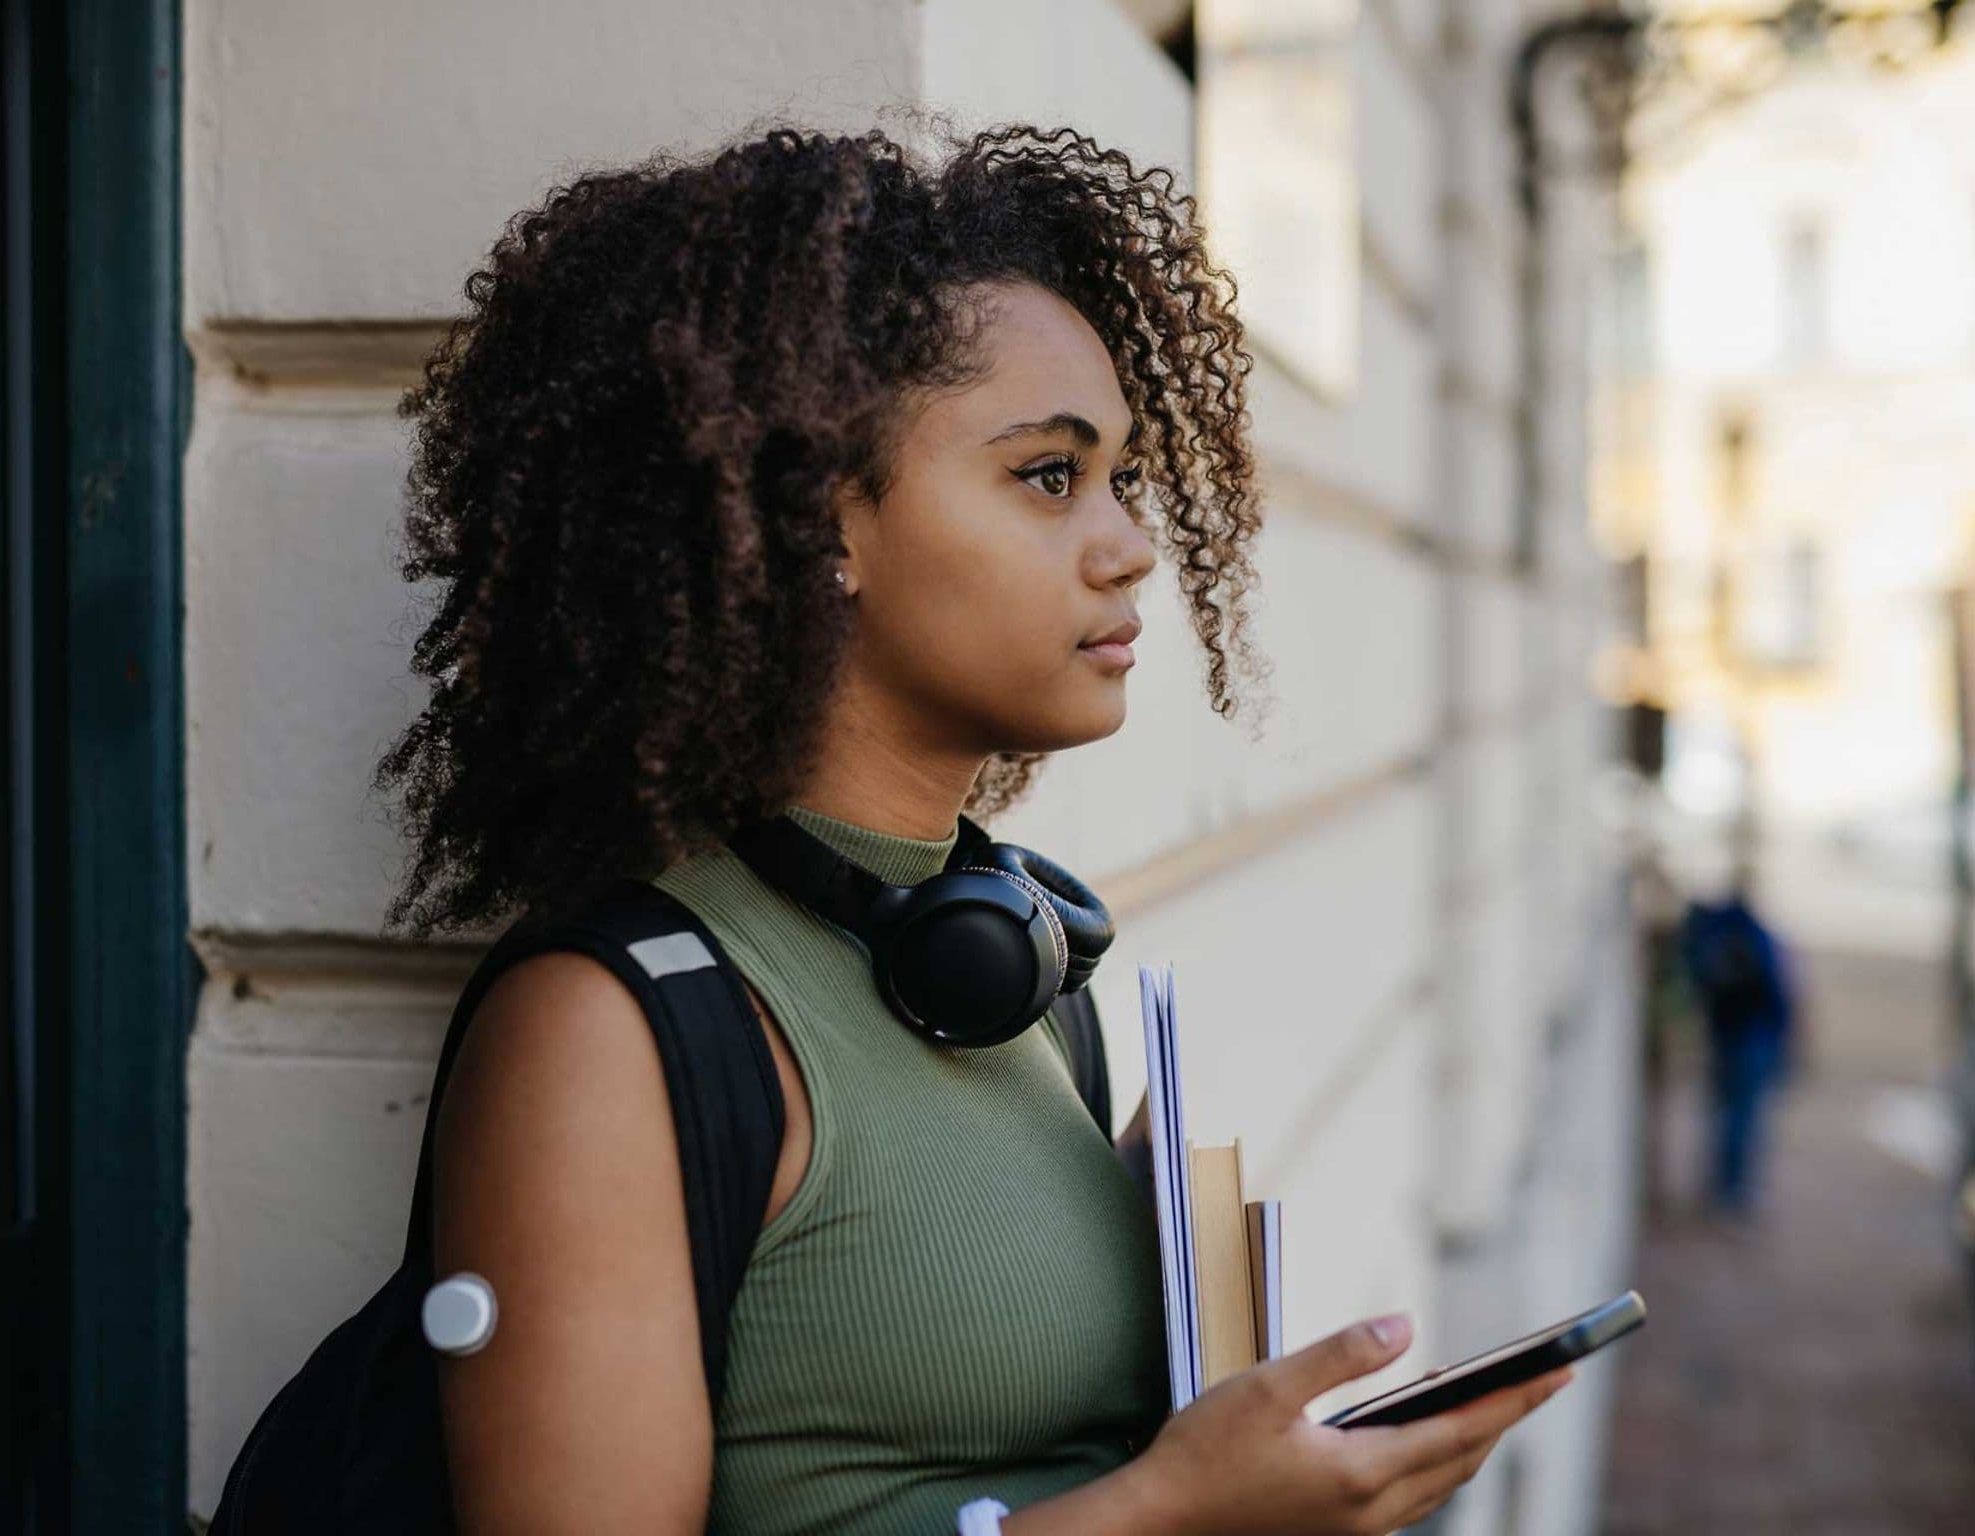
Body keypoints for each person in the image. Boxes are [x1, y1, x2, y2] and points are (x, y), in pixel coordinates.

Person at [371, 117, 1572, 1535]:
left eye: (1122, 478)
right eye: (1049, 475)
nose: (1130, 546)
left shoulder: (1011, 968)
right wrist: (1170, 1516)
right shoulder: (615, 1030)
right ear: (821, 523)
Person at [1680, 887, 1796, 1216]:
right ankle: (1731, 1192)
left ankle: (1722, 1187)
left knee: (1727, 1116)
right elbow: (1776, 994)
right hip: (1752, 1039)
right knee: (1741, 1119)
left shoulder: (1711, 937)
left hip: (1727, 1038)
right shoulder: (1750, 934)